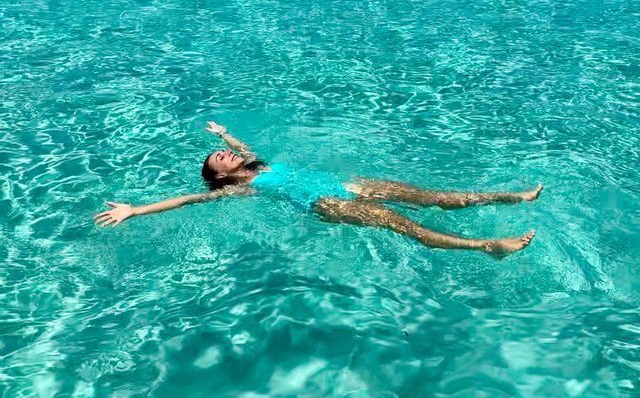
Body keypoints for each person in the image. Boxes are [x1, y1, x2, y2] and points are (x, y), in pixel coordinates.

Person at [96, 121, 542, 257]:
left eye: (226, 155)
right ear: (223, 178)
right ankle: (487, 245)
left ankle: (510, 196)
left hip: (347, 184)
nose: (228, 157)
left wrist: (225, 137)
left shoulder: (256, 164)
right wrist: (136, 210)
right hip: (325, 202)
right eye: (221, 161)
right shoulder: (238, 190)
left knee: (430, 197)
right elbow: (188, 199)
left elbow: (243, 146)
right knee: (407, 226)